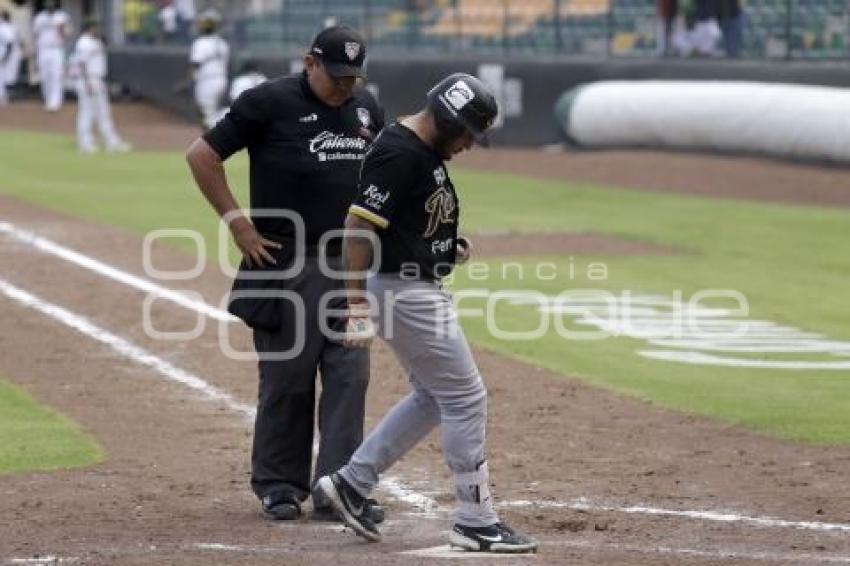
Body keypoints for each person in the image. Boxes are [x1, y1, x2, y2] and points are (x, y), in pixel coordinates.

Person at [315, 73, 538, 554]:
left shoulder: (420, 150)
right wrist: (353, 301)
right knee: (465, 397)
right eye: (466, 135)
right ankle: (476, 520)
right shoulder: (400, 152)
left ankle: (352, 483)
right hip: (403, 291)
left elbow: (406, 217)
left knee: (434, 396)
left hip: (411, 282)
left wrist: (441, 245)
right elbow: (357, 227)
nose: (468, 146)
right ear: (444, 118)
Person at [185, 26, 385, 524]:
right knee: (288, 379)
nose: (345, 88)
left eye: (353, 79)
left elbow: (383, 180)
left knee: (350, 376)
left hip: (350, 267)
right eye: (336, 77)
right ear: (310, 62)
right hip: (285, 263)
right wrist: (239, 225)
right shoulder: (267, 103)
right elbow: (202, 155)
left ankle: (339, 486)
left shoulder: (366, 110)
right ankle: (278, 484)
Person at [71, 18, 131, 154]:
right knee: (87, 112)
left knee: (103, 112)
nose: (99, 29)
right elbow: (81, 64)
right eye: (96, 27)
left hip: (98, 79)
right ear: (89, 28)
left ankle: (111, 142)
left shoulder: (96, 41)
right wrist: (87, 83)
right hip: (88, 80)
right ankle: (85, 144)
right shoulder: (83, 43)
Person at [189, 9, 229, 130]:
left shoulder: (200, 42)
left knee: (207, 113)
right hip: (221, 78)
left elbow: (196, 63)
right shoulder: (222, 43)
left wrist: (189, 81)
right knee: (209, 111)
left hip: (207, 80)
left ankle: (212, 141)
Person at [32, 0, 71, 111]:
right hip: (43, 50)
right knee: (44, 77)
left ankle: (55, 102)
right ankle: (48, 100)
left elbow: (68, 34)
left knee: (56, 75)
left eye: (52, 6)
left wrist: (61, 29)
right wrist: (35, 50)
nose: (50, 8)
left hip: (56, 49)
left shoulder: (62, 16)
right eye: (48, 6)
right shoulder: (39, 18)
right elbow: (35, 34)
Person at [0, 10, 23, 96]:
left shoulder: (8, 27)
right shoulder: (6, 27)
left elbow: (10, 43)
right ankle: (5, 96)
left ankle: (7, 96)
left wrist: (5, 57)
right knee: (6, 76)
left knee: (9, 76)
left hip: (9, 53)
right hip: (8, 52)